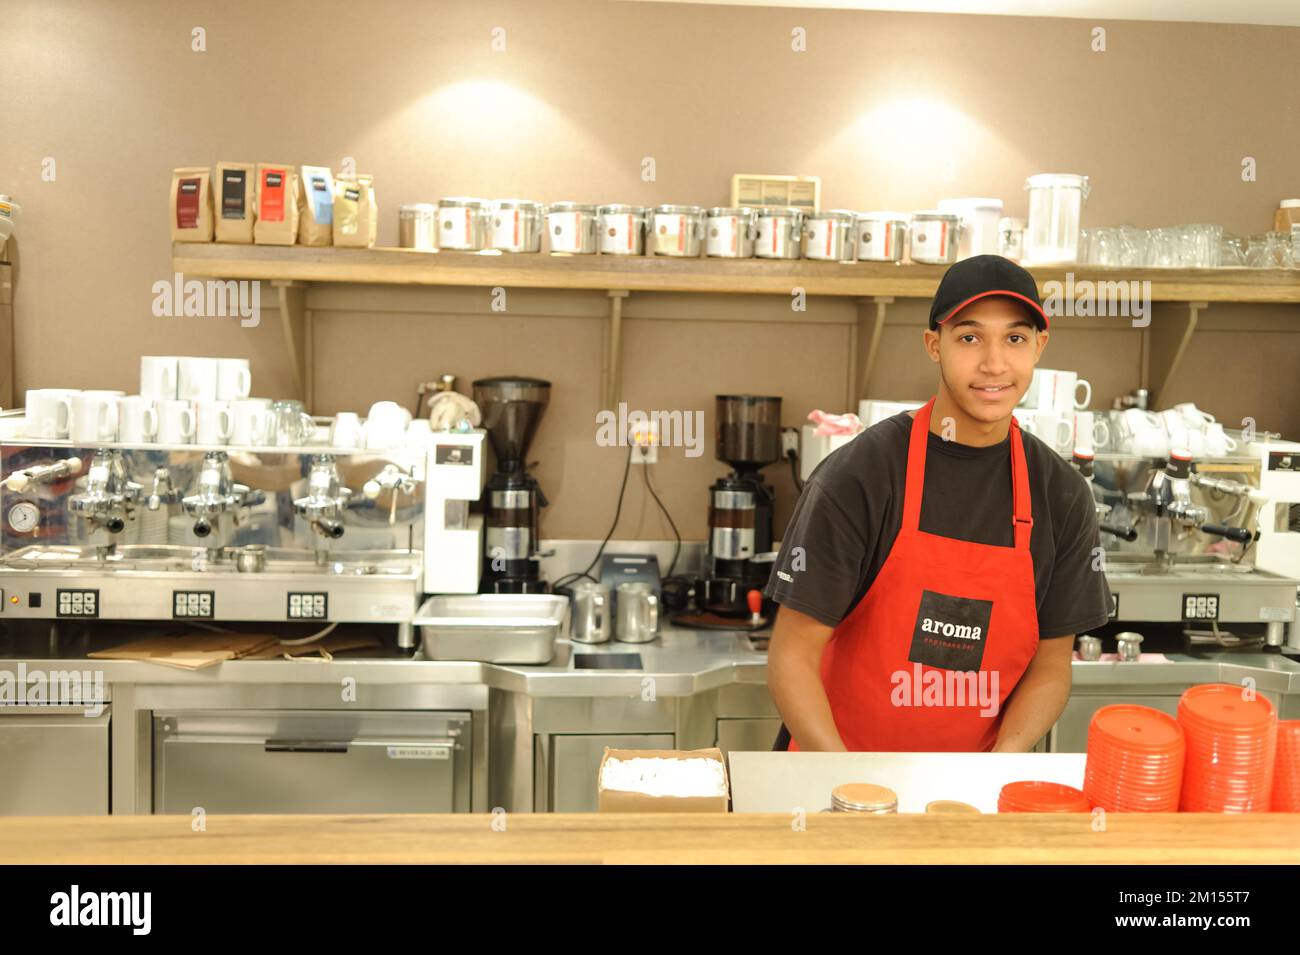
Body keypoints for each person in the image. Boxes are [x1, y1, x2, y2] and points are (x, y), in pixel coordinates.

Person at [765, 254, 1111, 753]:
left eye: (1014, 338)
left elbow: (1051, 664)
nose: (994, 363)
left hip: (968, 795)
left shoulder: (1061, 493)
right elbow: (792, 655)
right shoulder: (860, 474)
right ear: (935, 345)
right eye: (969, 337)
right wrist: (844, 780)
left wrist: (999, 763)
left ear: (1039, 346)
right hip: (835, 779)